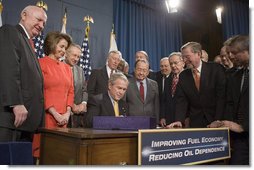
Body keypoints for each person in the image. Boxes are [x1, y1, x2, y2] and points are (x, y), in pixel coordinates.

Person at [0, 6, 47, 142]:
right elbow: (8, 68)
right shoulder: (9, 32)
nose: (41, 25)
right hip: (11, 119)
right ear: (24, 15)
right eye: (38, 20)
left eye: (44, 23)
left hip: (25, 122)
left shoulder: (27, 42)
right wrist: (16, 103)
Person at [32, 31, 74, 159]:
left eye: (65, 48)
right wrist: (55, 113)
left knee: (59, 154)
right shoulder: (40, 63)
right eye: (61, 46)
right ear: (52, 44)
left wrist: (67, 112)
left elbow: (71, 91)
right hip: (46, 117)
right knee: (44, 153)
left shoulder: (67, 68)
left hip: (63, 120)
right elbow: (40, 90)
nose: (63, 50)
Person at [167, 42, 226, 128]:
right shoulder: (183, 75)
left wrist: (218, 119)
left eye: (187, 56)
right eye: (183, 57)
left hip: (217, 120)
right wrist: (179, 120)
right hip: (196, 122)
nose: (184, 60)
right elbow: (181, 100)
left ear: (198, 54)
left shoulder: (216, 69)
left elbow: (221, 97)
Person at [221, 35, 249, 165]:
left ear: (247, 50)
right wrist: (224, 123)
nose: (231, 56)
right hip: (241, 139)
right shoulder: (238, 75)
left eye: (234, 52)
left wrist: (244, 126)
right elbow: (232, 103)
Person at [65, 43, 88, 128]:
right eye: (74, 55)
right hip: (62, 114)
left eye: (78, 57)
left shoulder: (80, 70)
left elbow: (84, 90)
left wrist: (83, 103)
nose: (76, 59)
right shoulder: (58, 67)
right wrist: (71, 105)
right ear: (66, 54)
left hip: (77, 116)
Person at [160, 52, 185, 127]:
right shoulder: (168, 80)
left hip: (184, 121)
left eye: (175, 63)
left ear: (183, 63)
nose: (173, 66)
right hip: (169, 121)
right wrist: (163, 117)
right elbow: (164, 101)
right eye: (171, 64)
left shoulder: (189, 78)